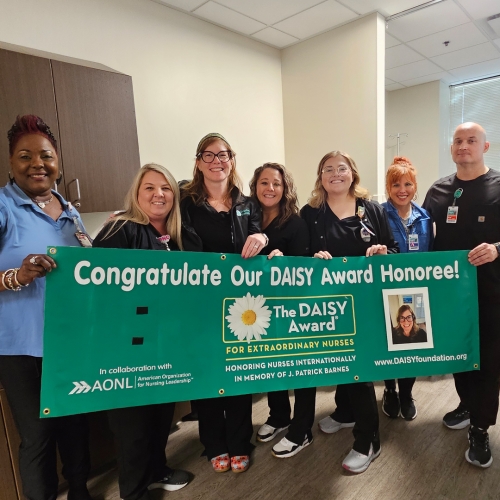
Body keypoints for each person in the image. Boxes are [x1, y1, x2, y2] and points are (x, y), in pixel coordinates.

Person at [0, 115, 92, 500]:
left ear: (58, 162)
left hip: (69, 341)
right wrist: (18, 276)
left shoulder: (70, 210)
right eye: (25, 156)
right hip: (21, 347)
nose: (37, 163)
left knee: (74, 427)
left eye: (46, 156)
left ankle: (81, 492)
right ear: (11, 164)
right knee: (37, 437)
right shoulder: (4, 206)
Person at [92, 164, 190, 500]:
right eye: (149, 188)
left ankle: (157, 470)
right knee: (132, 426)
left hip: (163, 345)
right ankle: (133, 492)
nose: (158, 194)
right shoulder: (120, 228)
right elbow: (98, 285)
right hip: (127, 347)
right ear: (137, 194)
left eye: (165, 188)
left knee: (160, 416)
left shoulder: (175, 238)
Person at [301, 150, 398, 473]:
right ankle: (345, 412)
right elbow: (298, 257)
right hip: (328, 303)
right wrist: (313, 258)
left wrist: (381, 251)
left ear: (352, 174)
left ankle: (368, 440)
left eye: (341, 168)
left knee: (360, 369)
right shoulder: (311, 212)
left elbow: (393, 248)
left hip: (365, 302)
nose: (335, 174)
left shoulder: (371, 209)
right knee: (337, 359)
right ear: (321, 177)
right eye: (328, 169)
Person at [181, 133, 267, 473]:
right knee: (207, 373)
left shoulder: (247, 203)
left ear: (232, 160)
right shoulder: (184, 201)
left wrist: (261, 236)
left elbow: (259, 231)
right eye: (209, 155)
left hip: (239, 304)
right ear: (199, 161)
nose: (217, 161)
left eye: (224, 155)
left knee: (238, 373)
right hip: (200, 303)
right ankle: (213, 443)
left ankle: (239, 442)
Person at [423, 122, 500, 469]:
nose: (463, 146)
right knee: (457, 354)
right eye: (457, 141)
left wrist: (497, 249)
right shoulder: (438, 191)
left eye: (471, 140)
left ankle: (481, 427)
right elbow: (419, 237)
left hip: (490, 293)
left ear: (485, 146)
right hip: (448, 294)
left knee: (486, 360)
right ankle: (467, 403)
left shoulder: (499, 186)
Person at [249, 162, 316, 458]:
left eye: (276, 183)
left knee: (299, 369)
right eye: (264, 183)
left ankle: (302, 430)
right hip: (258, 307)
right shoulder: (247, 219)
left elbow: (303, 269)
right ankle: (278, 416)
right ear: (255, 187)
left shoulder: (296, 223)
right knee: (270, 363)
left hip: (291, 307)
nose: (270, 189)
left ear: (285, 188)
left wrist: (283, 259)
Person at [381, 156, 433, 421]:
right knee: (389, 341)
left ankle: (406, 393)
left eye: (408, 184)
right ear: (388, 187)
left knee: (412, 342)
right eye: (396, 185)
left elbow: (431, 255)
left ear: (415, 186)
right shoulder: (377, 213)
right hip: (383, 288)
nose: (402, 190)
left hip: (416, 289)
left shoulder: (425, 217)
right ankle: (389, 389)